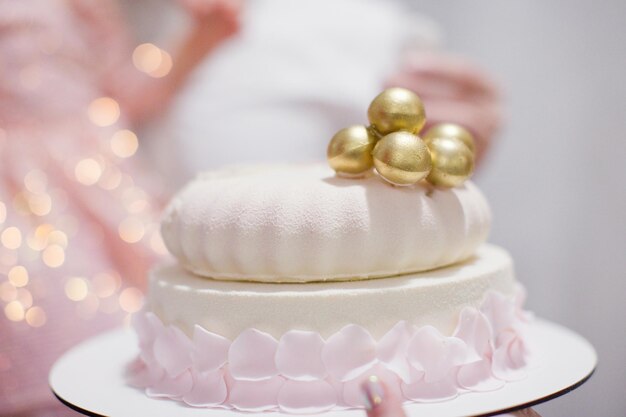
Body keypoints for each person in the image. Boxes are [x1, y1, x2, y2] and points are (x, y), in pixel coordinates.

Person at [0, 1, 239, 415]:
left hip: (100, 193)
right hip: (16, 211)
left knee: (151, 339)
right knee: (49, 334)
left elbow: (120, 90)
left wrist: (199, 37)